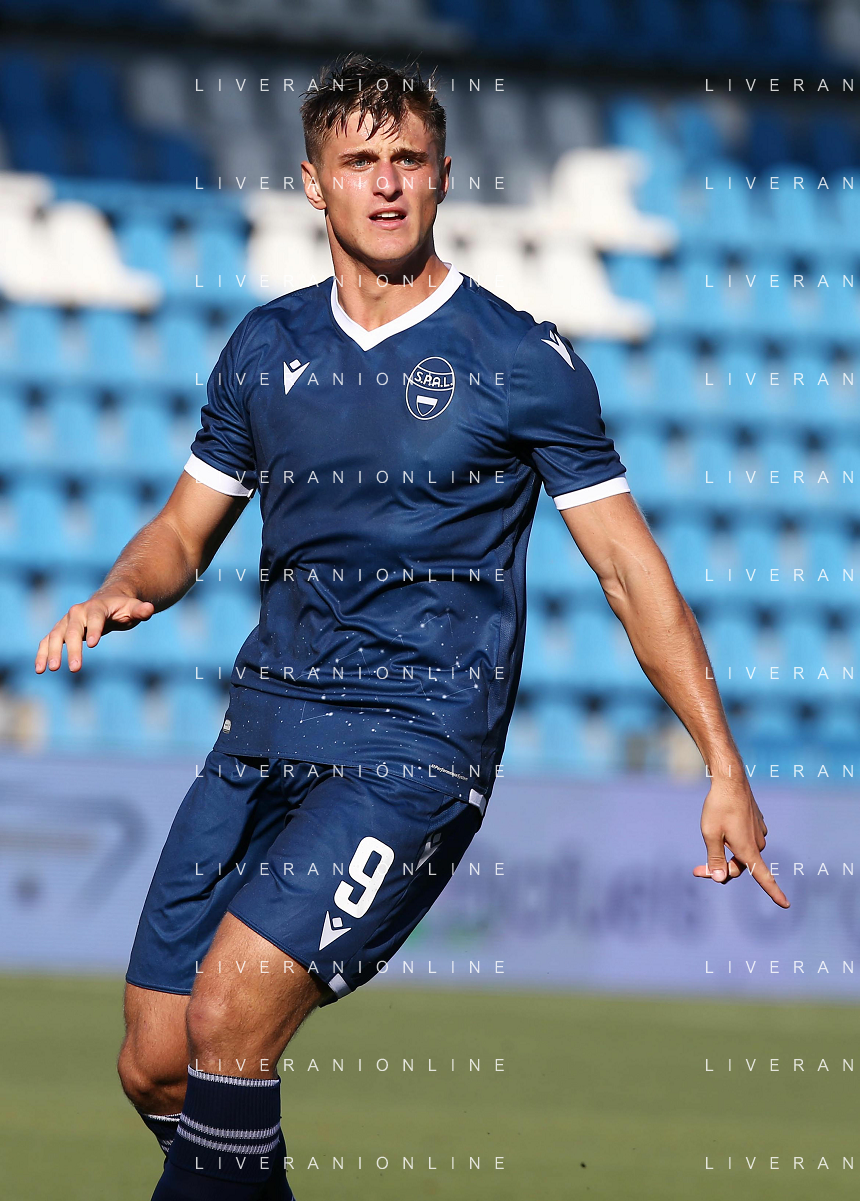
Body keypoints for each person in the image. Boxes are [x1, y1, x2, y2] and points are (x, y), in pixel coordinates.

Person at [34, 52, 788, 1201]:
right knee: (159, 1061)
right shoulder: (265, 349)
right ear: (312, 182)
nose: (384, 184)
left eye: (407, 159)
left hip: (412, 749)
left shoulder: (519, 361)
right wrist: (119, 588)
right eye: (357, 161)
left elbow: (630, 573)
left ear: (442, 175)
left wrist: (721, 764)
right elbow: (182, 533)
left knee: (232, 1013)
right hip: (263, 729)